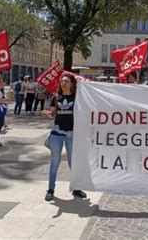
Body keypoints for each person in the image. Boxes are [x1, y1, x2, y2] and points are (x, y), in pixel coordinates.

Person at [42, 73, 86, 201]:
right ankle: (50, 189)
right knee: (54, 163)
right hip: (57, 134)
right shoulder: (56, 98)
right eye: (62, 81)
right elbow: (52, 114)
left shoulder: (77, 98)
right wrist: (47, 114)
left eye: (66, 81)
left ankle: (76, 189)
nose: (63, 83)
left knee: (73, 163)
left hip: (71, 134)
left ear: (72, 84)